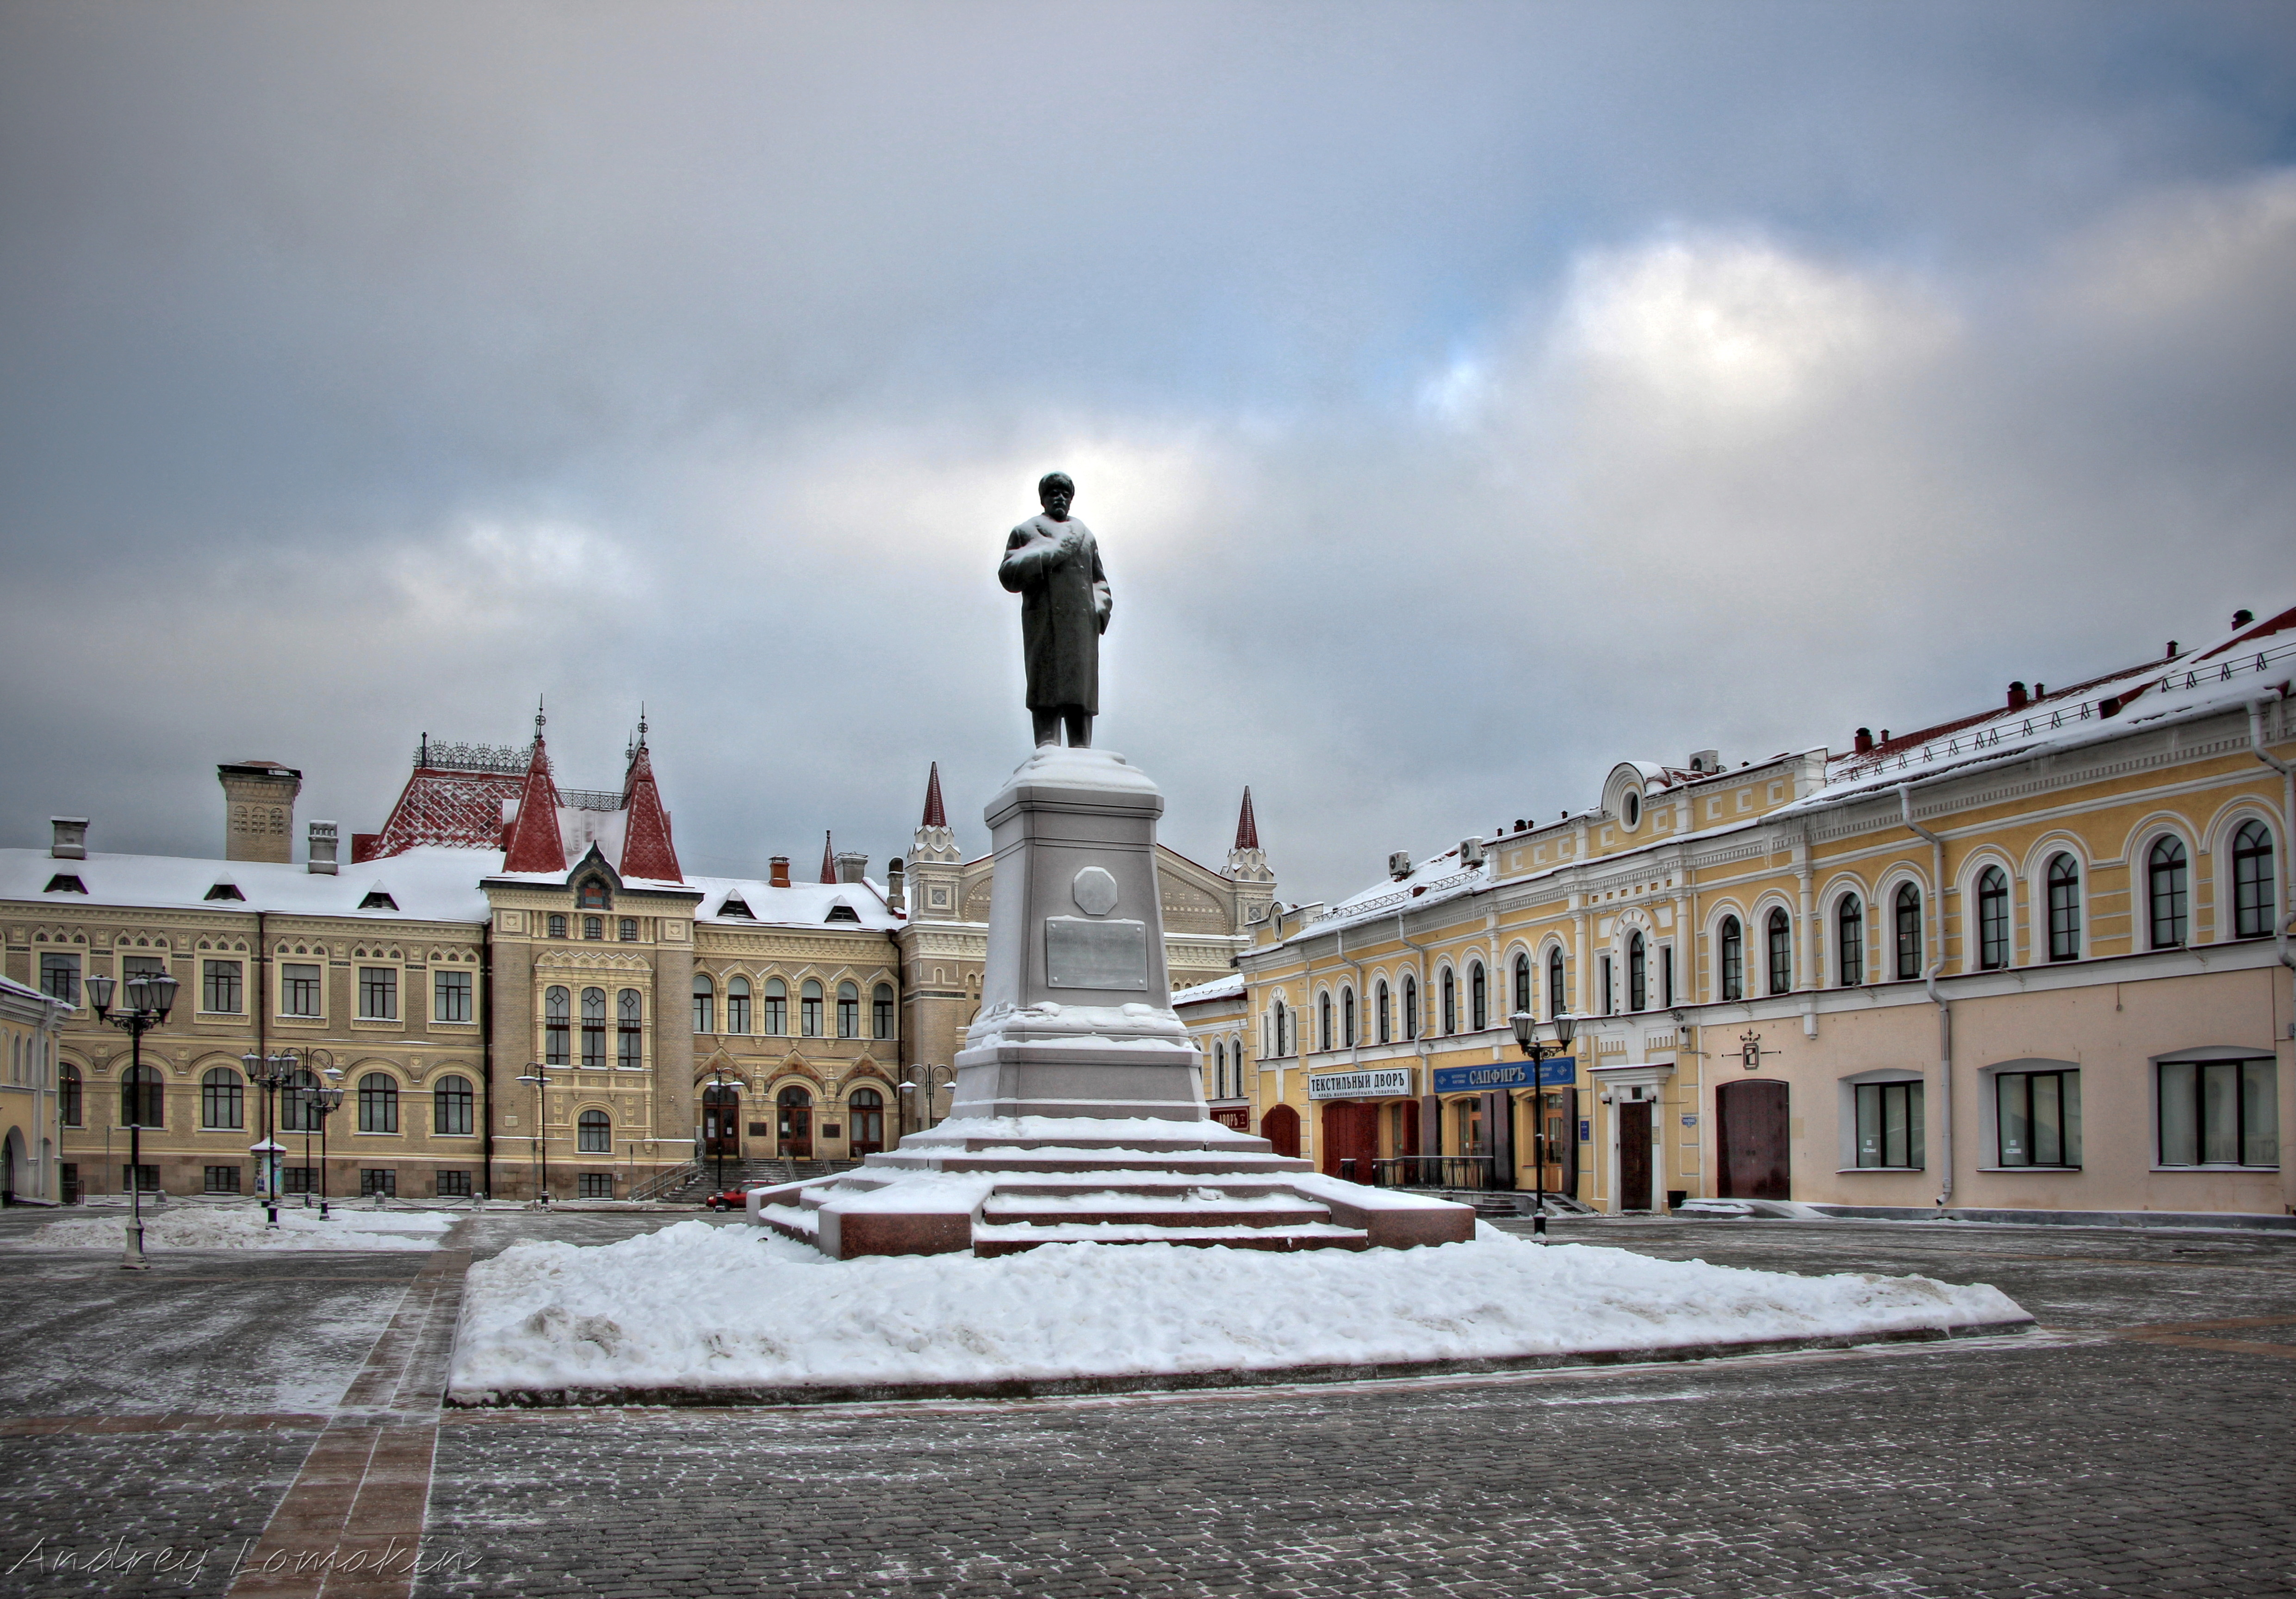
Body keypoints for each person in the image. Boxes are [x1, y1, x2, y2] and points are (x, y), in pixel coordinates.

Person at [998, 471, 1112, 747]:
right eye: (1053, 493)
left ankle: (1081, 745)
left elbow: (1100, 582)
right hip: (1045, 621)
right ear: (1043, 499)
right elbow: (1009, 574)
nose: (1060, 498)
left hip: (1081, 625)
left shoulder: (1085, 537)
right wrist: (1050, 553)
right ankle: (1047, 746)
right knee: (1045, 685)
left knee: (1081, 691)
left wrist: (1099, 611)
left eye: (1065, 494)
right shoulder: (1026, 532)